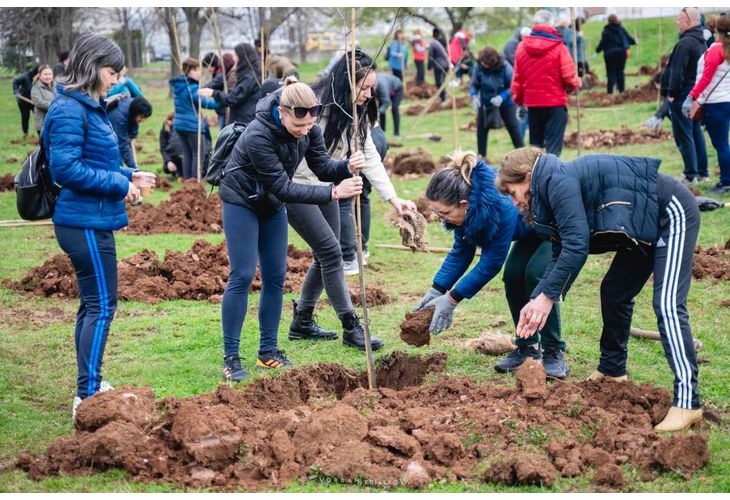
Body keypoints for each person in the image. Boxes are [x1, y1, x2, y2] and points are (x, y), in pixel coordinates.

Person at [497, 147, 702, 432]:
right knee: (614, 291)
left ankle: (688, 402)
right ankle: (612, 371)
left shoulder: (557, 182)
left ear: (528, 177)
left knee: (667, 305)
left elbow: (577, 245)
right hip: (642, 224)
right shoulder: (548, 191)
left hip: (669, 212)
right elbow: (560, 250)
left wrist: (547, 298)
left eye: (512, 191)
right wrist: (538, 299)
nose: (514, 201)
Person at [217, 78, 364, 380]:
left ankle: (267, 353)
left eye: (309, 125)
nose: (304, 131)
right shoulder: (258, 136)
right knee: (243, 274)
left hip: (271, 204)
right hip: (241, 201)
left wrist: (346, 166)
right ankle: (231, 358)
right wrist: (333, 193)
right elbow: (284, 187)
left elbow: (322, 168)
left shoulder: (311, 129)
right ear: (282, 112)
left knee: (275, 277)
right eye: (298, 127)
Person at [43, 34, 156, 419]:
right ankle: (86, 393)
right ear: (91, 67)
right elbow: (66, 169)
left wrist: (130, 174)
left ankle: (89, 381)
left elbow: (99, 161)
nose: (115, 80)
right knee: (103, 306)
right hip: (82, 222)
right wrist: (119, 185)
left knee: (92, 304)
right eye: (112, 72)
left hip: (92, 218)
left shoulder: (89, 107)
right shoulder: (68, 111)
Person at [287, 50, 416, 351]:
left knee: (324, 255)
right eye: (364, 88)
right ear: (346, 83)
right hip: (297, 187)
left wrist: (394, 199)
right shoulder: (318, 109)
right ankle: (351, 327)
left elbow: (368, 155)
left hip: (331, 186)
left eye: (372, 88)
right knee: (333, 253)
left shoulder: (358, 113)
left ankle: (302, 320)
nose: (369, 95)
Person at [414, 151, 568, 378]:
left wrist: (452, 299)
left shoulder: (498, 206)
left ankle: (554, 351)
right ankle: (527, 347)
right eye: (437, 212)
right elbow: (461, 252)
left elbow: (491, 263)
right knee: (514, 275)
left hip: (554, 225)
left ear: (464, 204)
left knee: (536, 275)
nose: (440, 217)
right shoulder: (467, 213)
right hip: (529, 230)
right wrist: (437, 288)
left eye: (444, 212)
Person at [512, 9, 581, 157]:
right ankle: (551, 177)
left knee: (535, 149)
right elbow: (569, 77)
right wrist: (576, 83)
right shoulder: (559, 47)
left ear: (534, 24)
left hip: (533, 105)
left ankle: (535, 177)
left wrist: (519, 101)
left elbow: (517, 79)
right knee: (553, 150)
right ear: (552, 25)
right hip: (555, 104)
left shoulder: (521, 48)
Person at [662, 7, 709, 185]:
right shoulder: (701, 42)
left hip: (682, 95)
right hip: (696, 94)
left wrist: (672, 93)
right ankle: (702, 173)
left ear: (688, 22)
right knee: (696, 132)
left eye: (679, 19)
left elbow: (677, 71)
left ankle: (690, 174)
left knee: (684, 135)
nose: (676, 22)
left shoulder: (684, 43)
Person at [685, 14, 730, 194]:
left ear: (716, 29)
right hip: (727, 101)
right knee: (723, 144)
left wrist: (692, 97)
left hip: (715, 104)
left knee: (721, 145)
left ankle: (726, 181)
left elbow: (706, 79)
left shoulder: (715, 51)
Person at [169, 57, 219, 180]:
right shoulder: (192, 88)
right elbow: (207, 104)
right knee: (198, 154)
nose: (198, 72)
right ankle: (195, 182)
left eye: (198, 69)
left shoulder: (178, 86)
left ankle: (187, 181)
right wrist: (223, 100)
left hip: (179, 125)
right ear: (188, 71)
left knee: (187, 153)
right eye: (195, 70)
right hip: (192, 126)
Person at [469, 47, 523, 161]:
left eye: (485, 63)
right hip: (485, 103)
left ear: (492, 62)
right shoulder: (479, 67)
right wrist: (474, 96)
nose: (483, 65)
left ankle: (521, 153)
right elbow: (473, 84)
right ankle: (481, 155)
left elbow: (513, 85)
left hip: (505, 103)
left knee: (513, 127)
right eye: (482, 62)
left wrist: (502, 97)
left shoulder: (505, 67)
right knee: (481, 128)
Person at [199, 43, 260, 126]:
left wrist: (213, 93)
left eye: (235, 55)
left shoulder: (249, 78)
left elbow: (233, 98)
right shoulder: (245, 75)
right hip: (241, 119)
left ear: (242, 57)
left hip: (243, 122)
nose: (233, 58)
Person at [107, 96, 153, 169]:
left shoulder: (134, 107)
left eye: (145, 118)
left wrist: (133, 136)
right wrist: (134, 168)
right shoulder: (120, 117)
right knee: (117, 160)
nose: (143, 120)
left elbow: (134, 125)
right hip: (108, 136)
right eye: (141, 117)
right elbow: (123, 144)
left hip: (119, 131)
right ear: (134, 113)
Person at [596, 14, 636, 94]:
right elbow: (628, 38)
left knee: (610, 72)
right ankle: (622, 91)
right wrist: (635, 41)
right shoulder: (621, 29)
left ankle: (610, 92)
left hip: (609, 54)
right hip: (621, 53)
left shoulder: (606, 31)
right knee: (620, 72)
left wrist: (597, 50)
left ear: (608, 21)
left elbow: (603, 43)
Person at [375, 72, 404, 140]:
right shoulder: (371, 84)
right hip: (387, 88)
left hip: (397, 89)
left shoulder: (382, 86)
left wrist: (378, 112)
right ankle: (382, 132)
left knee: (394, 108)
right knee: (381, 110)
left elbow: (386, 102)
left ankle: (396, 133)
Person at [13, 66, 38, 138]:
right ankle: (25, 133)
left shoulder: (40, 78)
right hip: (23, 100)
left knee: (38, 116)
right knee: (25, 117)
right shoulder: (25, 76)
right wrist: (16, 91)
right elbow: (15, 81)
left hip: (33, 100)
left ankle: (41, 134)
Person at [30, 64, 56, 135]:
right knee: (45, 145)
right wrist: (56, 106)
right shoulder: (36, 88)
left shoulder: (57, 86)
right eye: (45, 74)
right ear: (40, 75)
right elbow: (39, 103)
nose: (48, 76)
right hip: (43, 124)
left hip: (56, 122)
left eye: (50, 74)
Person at [428, 28, 450, 104]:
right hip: (446, 65)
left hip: (438, 66)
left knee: (439, 83)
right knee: (442, 81)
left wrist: (429, 67)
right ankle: (444, 94)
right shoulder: (444, 42)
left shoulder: (433, 44)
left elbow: (431, 57)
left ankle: (443, 99)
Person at [160, 111, 183, 177]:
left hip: (184, 157)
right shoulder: (164, 131)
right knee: (166, 168)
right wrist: (168, 161)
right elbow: (163, 148)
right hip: (173, 156)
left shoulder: (183, 130)